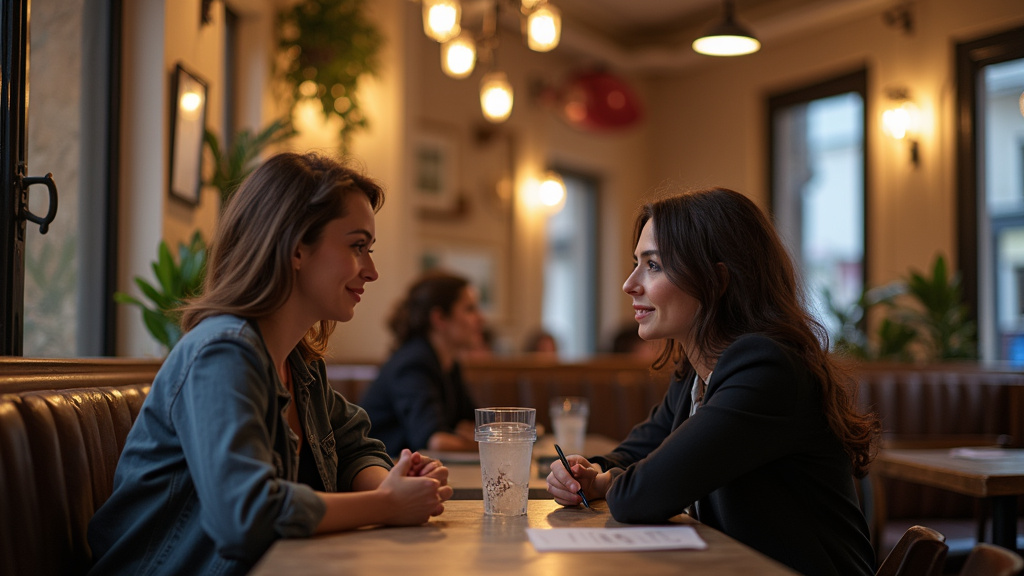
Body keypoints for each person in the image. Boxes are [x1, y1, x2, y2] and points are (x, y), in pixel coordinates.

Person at [87, 153, 452, 575]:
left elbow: (355, 445)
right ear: (297, 248)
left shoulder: (298, 359)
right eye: (357, 247)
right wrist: (387, 503)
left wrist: (394, 484)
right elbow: (245, 517)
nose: (371, 270)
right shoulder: (221, 354)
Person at [546, 187, 879, 576]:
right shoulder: (697, 371)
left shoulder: (767, 369)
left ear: (717, 280)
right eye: (636, 263)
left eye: (652, 266)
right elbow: (635, 452)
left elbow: (642, 494)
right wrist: (585, 471)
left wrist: (605, 485)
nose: (630, 283)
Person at [361, 271, 485, 453]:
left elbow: (474, 425)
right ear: (439, 318)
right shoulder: (413, 363)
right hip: (382, 472)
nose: (481, 318)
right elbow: (435, 441)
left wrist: (475, 436)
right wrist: (490, 446)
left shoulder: (448, 363)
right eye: (470, 309)